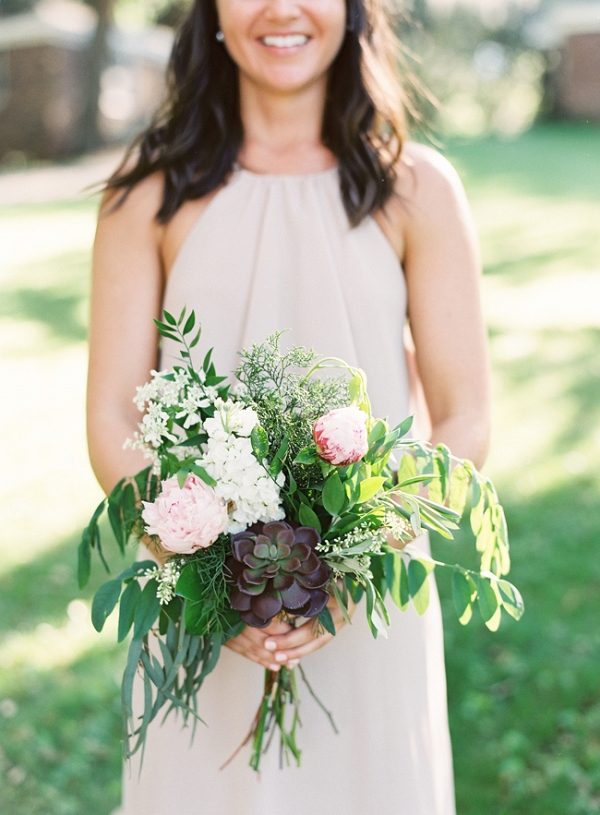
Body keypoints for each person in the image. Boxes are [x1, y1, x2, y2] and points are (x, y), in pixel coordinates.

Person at [87, 0, 491, 811]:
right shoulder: (149, 193)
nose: (280, 9)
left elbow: (465, 417)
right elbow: (112, 420)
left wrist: (355, 567)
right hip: (197, 606)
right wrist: (204, 576)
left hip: (368, 608)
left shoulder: (418, 190)